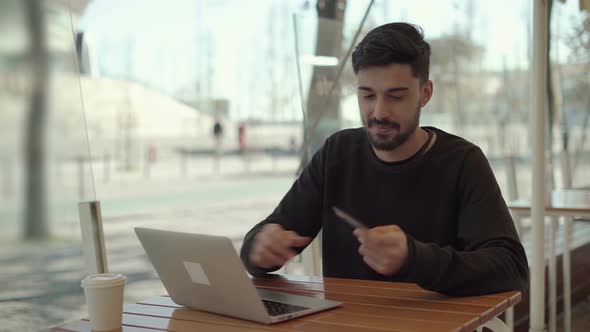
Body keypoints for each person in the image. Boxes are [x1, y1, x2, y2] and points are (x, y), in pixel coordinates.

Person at [240, 23, 528, 296]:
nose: (379, 112)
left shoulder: (462, 161)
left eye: (396, 96)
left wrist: (415, 258)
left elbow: (510, 267)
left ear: (425, 93)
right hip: (345, 323)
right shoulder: (337, 153)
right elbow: (272, 234)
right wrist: (259, 249)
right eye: (367, 95)